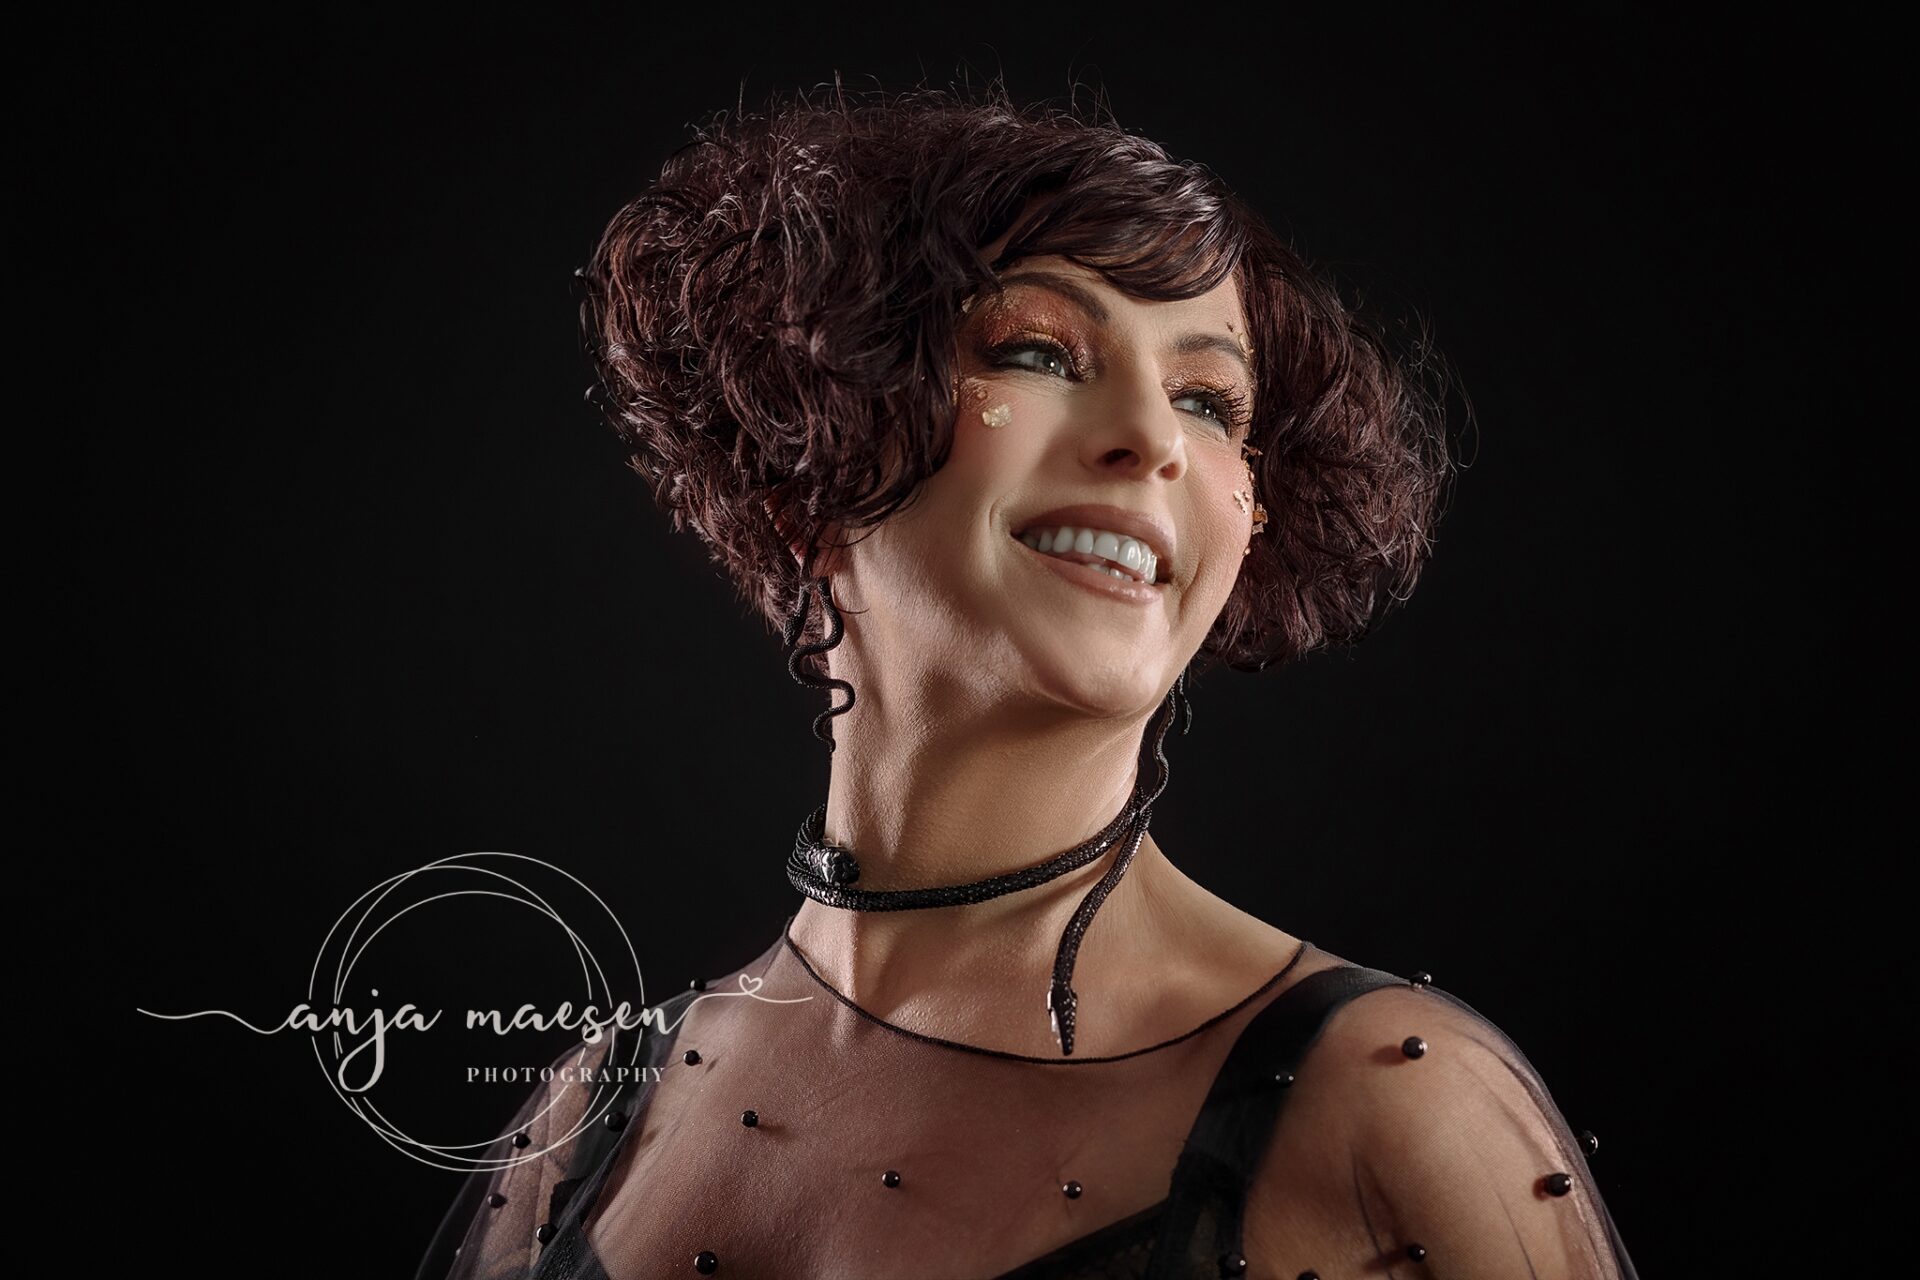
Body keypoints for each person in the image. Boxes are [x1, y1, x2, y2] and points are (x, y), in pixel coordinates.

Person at [416, 80, 1640, 1280]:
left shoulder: (1391, 1107)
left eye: (1210, 400)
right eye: (1041, 351)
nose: (1154, 438)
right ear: (811, 464)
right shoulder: (590, 1114)